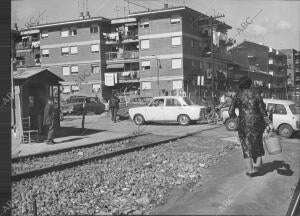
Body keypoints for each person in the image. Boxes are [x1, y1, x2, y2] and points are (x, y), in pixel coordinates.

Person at [228, 76, 268, 177]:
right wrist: (267, 121)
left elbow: (230, 111)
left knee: (246, 147)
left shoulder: (238, 95)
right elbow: (263, 111)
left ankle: (250, 170)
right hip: (257, 124)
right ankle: (258, 167)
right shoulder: (257, 94)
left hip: (243, 124)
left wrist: (236, 117)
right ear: (250, 84)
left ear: (240, 85)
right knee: (258, 144)